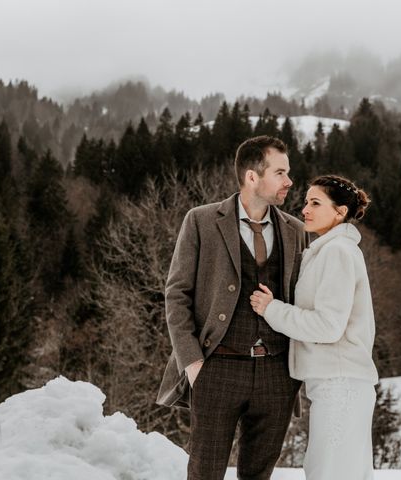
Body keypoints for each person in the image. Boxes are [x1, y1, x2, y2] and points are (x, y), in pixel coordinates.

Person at [157, 135, 309, 480]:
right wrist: (192, 363)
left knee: (259, 475)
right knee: (204, 473)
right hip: (217, 367)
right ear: (253, 176)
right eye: (281, 172)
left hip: (276, 374)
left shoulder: (296, 231)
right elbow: (176, 294)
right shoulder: (201, 221)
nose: (289, 181)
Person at [250, 174, 379, 480]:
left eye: (316, 203)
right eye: (306, 201)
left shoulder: (337, 252)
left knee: (327, 473)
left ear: (340, 212)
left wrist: (273, 310)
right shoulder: (327, 251)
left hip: (341, 385)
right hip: (337, 383)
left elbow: (328, 326)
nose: (305, 209)